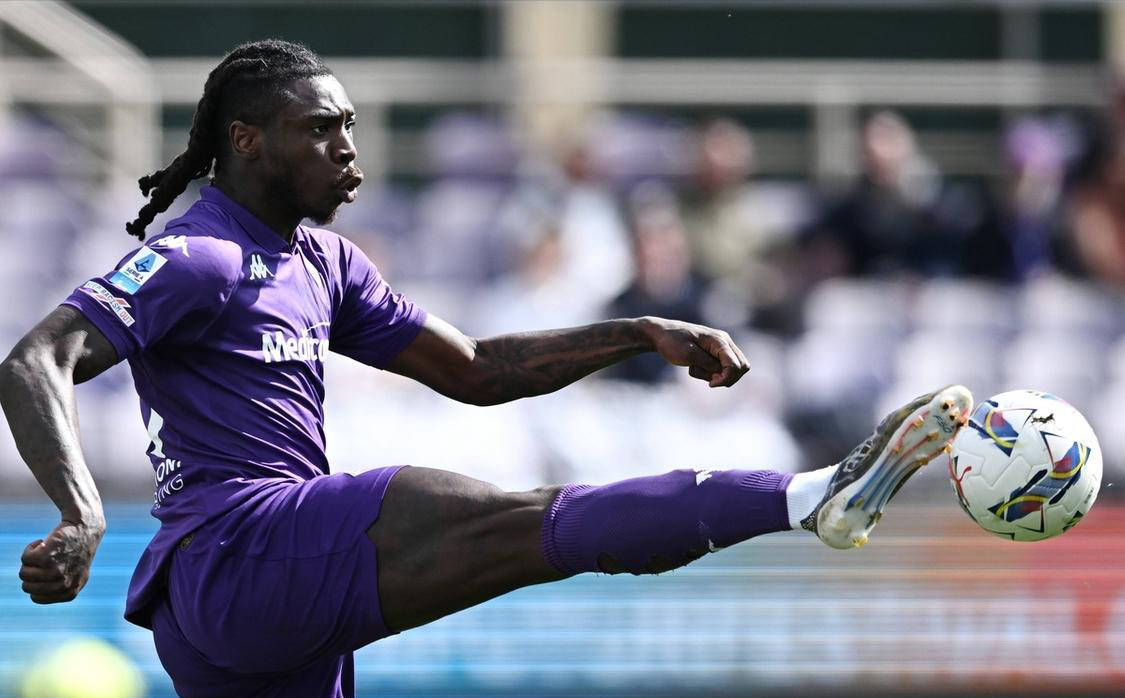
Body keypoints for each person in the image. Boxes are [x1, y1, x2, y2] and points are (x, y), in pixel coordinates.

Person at [0, 40, 973, 698]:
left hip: (248, 607)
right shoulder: (200, 256)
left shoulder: (324, 263)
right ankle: (809, 498)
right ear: (246, 141)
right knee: (523, 521)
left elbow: (473, 369)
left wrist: (637, 332)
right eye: (321, 130)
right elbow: (35, 359)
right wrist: (83, 513)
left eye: (350, 127)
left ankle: (807, 499)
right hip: (237, 548)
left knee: (524, 522)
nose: (349, 151)